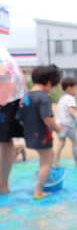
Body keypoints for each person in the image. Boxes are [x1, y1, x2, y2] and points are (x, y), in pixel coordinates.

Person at [18, 65, 62, 199]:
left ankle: (44, 180)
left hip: (29, 134)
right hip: (43, 135)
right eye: (52, 86)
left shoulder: (25, 96)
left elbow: (20, 117)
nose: (51, 89)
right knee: (46, 163)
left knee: (46, 158)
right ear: (48, 82)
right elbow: (47, 118)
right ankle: (38, 191)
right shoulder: (44, 97)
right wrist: (58, 129)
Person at [0, 44, 26, 193]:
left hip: (8, 98)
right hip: (12, 96)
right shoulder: (3, 52)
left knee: (6, 142)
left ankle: (3, 184)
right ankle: (4, 184)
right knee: (6, 142)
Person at [54, 77, 77, 167]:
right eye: (76, 88)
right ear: (70, 88)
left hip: (59, 125)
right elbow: (71, 111)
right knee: (75, 143)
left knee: (61, 143)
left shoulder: (62, 99)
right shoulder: (70, 98)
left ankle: (55, 163)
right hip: (68, 126)